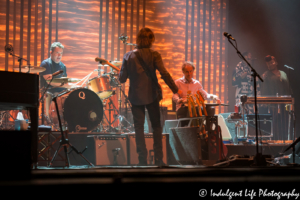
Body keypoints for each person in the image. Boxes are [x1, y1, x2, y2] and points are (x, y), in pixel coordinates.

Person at [118, 27, 182, 166]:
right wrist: (175, 89)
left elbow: (122, 79)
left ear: (138, 39)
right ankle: (159, 159)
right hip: (152, 95)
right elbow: (164, 73)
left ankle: (142, 160)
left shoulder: (128, 56)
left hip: (135, 96)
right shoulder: (155, 55)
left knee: (139, 127)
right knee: (156, 126)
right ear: (151, 39)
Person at [260, 55, 292, 140]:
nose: (270, 65)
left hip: (284, 104)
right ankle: (274, 141)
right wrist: (265, 101)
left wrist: (289, 101)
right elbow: (264, 89)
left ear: (276, 62)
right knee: (274, 124)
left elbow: (288, 88)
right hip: (273, 104)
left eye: (271, 62)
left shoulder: (283, 73)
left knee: (284, 123)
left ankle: (285, 141)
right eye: (268, 63)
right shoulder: (267, 75)